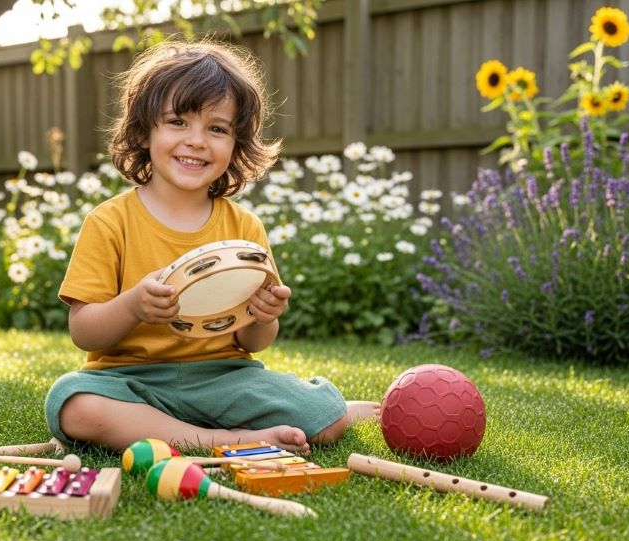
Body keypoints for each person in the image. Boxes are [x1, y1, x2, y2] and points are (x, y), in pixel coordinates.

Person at [45, 40, 379, 454]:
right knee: (73, 404)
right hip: (132, 381)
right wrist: (133, 306)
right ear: (144, 131)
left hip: (225, 379)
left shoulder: (244, 226)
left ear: (236, 145)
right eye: (178, 122)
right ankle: (221, 439)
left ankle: (326, 407)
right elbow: (83, 331)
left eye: (217, 128)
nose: (197, 141)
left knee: (324, 419)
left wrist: (264, 315)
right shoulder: (109, 222)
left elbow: (253, 342)